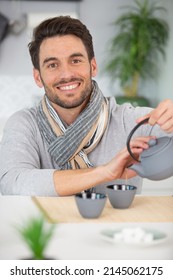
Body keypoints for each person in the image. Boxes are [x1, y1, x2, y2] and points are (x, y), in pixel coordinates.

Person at [0, 16, 173, 196]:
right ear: (38, 78)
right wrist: (104, 172)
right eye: (52, 65)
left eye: (75, 61)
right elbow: (12, 183)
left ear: (93, 66)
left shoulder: (130, 121)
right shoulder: (24, 124)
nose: (66, 74)